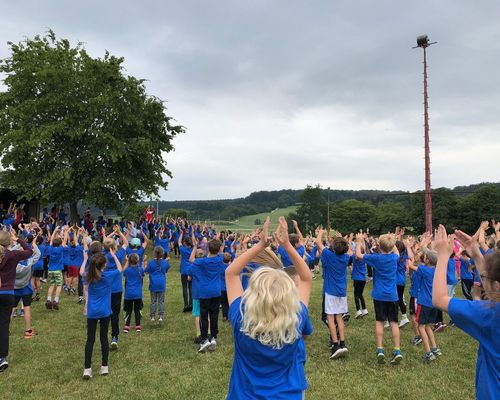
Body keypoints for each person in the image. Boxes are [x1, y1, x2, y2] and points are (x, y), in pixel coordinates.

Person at [225, 217, 312, 399]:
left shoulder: (240, 317)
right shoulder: (297, 318)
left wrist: (259, 245)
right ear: (289, 295)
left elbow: (231, 273)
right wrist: (288, 245)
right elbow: (306, 278)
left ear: (253, 292)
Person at [432, 225, 499, 400]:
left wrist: (442, 256)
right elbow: (494, 290)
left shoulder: (490, 315)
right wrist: (476, 255)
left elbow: (439, 299)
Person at [355, 232, 403, 365]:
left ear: (379, 246)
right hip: (393, 295)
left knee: (379, 321)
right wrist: (393, 240)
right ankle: (397, 350)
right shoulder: (394, 257)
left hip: (379, 295)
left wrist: (359, 241)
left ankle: (380, 349)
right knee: (394, 322)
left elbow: (358, 255)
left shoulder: (376, 258)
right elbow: (396, 251)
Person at [81, 249, 123, 379]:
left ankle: (87, 369)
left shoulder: (89, 275)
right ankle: (104, 367)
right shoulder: (108, 276)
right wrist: (114, 255)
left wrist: (84, 259)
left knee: (90, 340)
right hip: (105, 312)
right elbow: (120, 269)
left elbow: (81, 271)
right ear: (104, 265)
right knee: (104, 338)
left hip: (92, 312)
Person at [0, 230, 33, 371]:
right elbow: (29, 251)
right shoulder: (12, 255)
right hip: (7, 292)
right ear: (9, 242)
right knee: (3, 325)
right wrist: (18, 239)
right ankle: (2, 358)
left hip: (6, 290)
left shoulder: (11, 254)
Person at [315, 231, 350, 359]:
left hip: (331, 291)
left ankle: (335, 345)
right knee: (339, 318)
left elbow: (318, 242)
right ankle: (343, 343)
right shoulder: (346, 258)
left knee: (330, 318)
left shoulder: (329, 256)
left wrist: (320, 232)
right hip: (341, 292)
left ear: (334, 248)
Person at [189, 237, 225, 352]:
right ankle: (213, 337)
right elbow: (221, 252)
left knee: (204, 316)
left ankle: (204, 339)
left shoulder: (203, 262)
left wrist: (195, 246)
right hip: (216, 291)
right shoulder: (220, 259)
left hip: (204, 293)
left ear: (208, 248)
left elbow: (191, 259)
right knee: (214, 315)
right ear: (219, 249)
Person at [408, 249, 442, 363]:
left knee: (421, 326)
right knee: (427, 326)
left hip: (424, 302)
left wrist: (411, 259)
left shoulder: (424, 270)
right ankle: (435, 348)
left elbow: (411, 266)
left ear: (427, 260)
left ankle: (428, 353)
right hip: (434, 303)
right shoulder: (437, 271)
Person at [13, 238, 41, 339]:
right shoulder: (29, 261)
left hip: (14, 288)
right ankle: (28, 330)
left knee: (11, 309)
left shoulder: (12, 262)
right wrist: (34, 244)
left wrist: (17, 245)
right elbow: (37, 254)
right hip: (26, 288)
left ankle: (4, 329)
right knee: (27, 308)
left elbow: (9, 252)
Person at [145, 247, 170, 323]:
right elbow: (166, 270)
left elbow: (146, 271)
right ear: (162, 254)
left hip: (153, 283)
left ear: (154, 253)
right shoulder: (165, 262)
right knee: (161, 301)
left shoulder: (151, 262)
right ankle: (161, 316)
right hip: (161, 283)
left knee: (153, 301)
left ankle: (152, 316)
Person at [123, 253, 144, 333]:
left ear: (129, 261)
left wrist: (127, 261)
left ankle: (127, 326)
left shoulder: (127, 270)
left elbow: (123, 271)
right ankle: (138, 326)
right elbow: (143, 274)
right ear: (138, 260)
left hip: (128, 294)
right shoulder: (140, 269)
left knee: (128, 310)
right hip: (138, 294)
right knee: (137, 310)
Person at [179, 233, 193, 312]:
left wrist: (181, 233)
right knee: (190, 287)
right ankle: (191, 304)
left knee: (184, 287)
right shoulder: (193, 250)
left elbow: (179, 242)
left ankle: (186, 304)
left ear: (185, 243)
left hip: (184, 270)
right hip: (191, 270)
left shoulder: (183, 249)